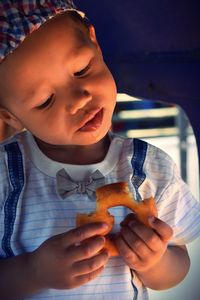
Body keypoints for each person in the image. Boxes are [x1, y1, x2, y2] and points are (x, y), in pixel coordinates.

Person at [0, 1, 199, 299]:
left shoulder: (150, 168)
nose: (79, 99)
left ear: (95, 43)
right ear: (11, 117)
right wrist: (33, 271)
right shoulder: (4, 174)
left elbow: (179, 263)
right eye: (45, 101)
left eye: (81, 69)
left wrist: (155, 262)